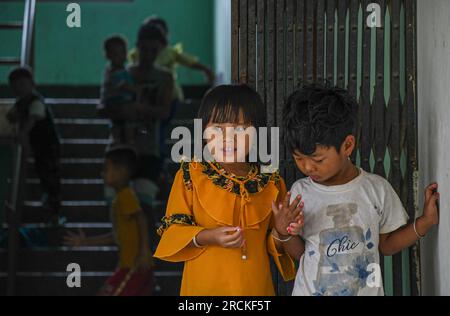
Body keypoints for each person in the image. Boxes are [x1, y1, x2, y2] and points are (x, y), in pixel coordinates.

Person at [277, 83, 440, 296]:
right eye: (299, 158)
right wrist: (283, 230)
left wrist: (425, 222)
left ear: (347, 146)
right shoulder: (300, 192)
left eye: (317, 159)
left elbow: (388, 245)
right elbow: (302, 254)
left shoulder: (375, 190)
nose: (307, 167)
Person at [154, 85, 296, 296]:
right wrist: (208, 236)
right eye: (217, 128)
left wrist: (282, 232)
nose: (228, 137)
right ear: (203, 130)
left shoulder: (271, 182)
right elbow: (173, 231)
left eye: (239, 129)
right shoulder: (191, 176)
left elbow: (273, 246)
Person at [64, 146, 154, 296]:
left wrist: (144, 252)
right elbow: (117, 235)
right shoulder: (121, 198)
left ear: (122, 171)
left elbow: (141, 218)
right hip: (132, 265)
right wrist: (86, 242)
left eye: (107, 169)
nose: (103, 174)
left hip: (134, 266)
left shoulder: (125, 196)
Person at [129, 16, 215, 157]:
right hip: (146, 97)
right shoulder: (135, 55)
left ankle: (158, 156)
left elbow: (189, 62)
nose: (150, 54)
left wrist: (206, 69)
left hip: (170, 96)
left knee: (160, 126)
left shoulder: (170, 53)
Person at [6, 66, 61, 220]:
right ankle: (49, 201)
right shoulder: (21, 103)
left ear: (32, 84)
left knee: (49, 174)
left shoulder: (36, 101)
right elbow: (11, 115)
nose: (20, 89)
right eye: (16, 86)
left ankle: (54, 207)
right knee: (42, 171)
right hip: (39, 146)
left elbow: (33, 119)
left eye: (23, 84)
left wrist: (22, 133)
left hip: (48, 145)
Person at [100, 35, 137, 145]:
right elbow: (123, 86)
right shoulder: (113, 72)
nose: (121, 56)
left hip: (121, 101)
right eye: (116, 54)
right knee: (124, 123)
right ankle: (123, 141)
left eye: (123, 52)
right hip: (116, 102)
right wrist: (137, 89)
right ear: (108, 56)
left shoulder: (123, 69)